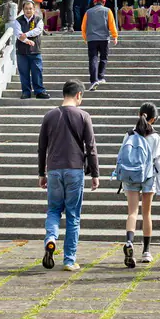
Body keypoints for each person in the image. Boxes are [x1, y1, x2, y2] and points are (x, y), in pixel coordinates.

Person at [36, 80, 98, 270]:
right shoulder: (84, 116)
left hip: (54, 170)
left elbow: (41, 147)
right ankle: (69, 260)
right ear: (78, 95)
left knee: (54, 210)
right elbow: (91, 148)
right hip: (75, 170)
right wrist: (95, 173)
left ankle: (51, 239)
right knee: (73, 215)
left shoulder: (50, 115)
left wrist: (41, 173)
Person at [113, 102, 160, 267]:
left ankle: (129, 242)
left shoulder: (128, 135)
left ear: (139, 114)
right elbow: (159, 164)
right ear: (154, 119)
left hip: (130, 176)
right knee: (147, 213)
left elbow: (121, 157)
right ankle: (146, 252)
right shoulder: (155, 137)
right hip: (148, 177)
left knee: (132, 213)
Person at [81, 0, 118, 90]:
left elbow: (83, 26)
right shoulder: (107, 11)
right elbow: (112, 24)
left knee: (93, 59)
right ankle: (101, 76)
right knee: (103, 58)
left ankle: (94, 80)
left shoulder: (88, 12)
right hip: (104, 39)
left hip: (92, 39)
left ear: (94, 2)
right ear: (104, 2)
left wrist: (85, 38)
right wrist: (115, 36)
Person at [15, 0, 48, 99]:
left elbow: (38, 30)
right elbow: (18, 34)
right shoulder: (18, 21)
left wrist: (26, 34)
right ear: (23, 9)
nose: (28, 10)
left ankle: (39, 91)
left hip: (35, 51)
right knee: (24, 73)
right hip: (22, 51)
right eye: (26, 8)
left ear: (34, 9)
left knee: (37, 71)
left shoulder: (38, 20)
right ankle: (26, 92)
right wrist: (27, 41)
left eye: (30, 8)